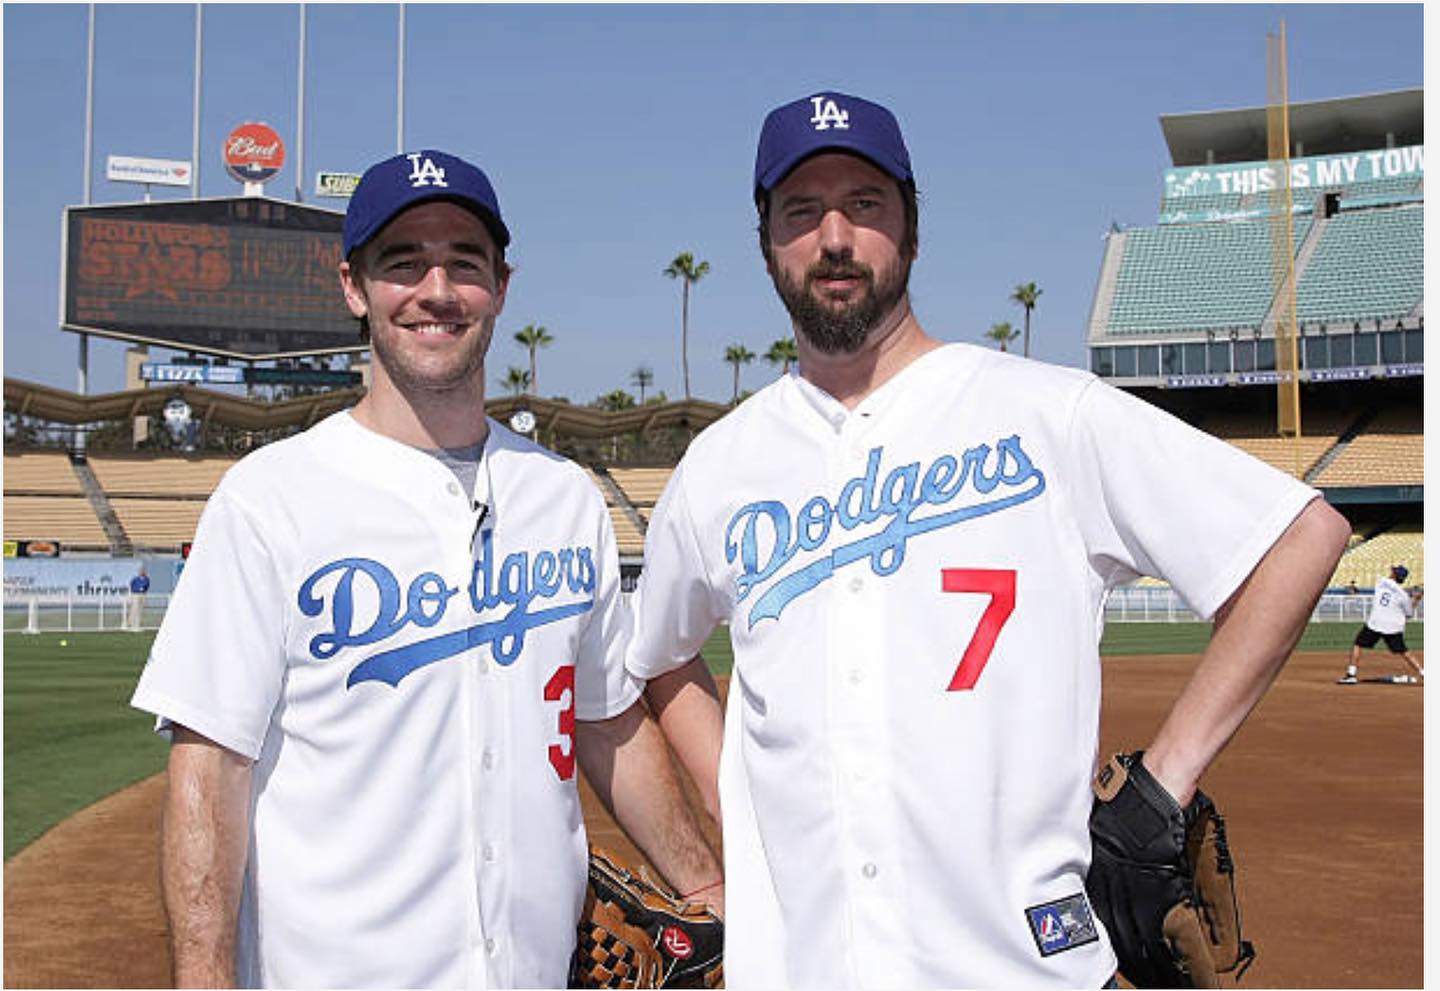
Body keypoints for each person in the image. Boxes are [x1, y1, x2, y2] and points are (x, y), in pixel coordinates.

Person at [630, 91, 1351, 987]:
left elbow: (1300, 534)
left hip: (1021, 965)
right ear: (768, 243)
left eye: (865, 204)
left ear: (913, 230)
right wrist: (731, 799)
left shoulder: (1048, 414)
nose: (835, 236)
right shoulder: (719, 466)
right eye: (801, 211)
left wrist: (1165, 778)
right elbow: (661, 657)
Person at [131, 150, 720, 989]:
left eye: (464, 263)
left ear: (501, 287)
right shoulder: (271, 499)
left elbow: (606, 720)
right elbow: (210, 764)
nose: (435, 289)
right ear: (353, 286)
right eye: (403, 262)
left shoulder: (563, 497)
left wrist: (706, 882)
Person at [1338, 564, 1423, 683]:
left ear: (1394, 574)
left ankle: (1351, 675)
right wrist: (1415, 600)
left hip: (1376, 622)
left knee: (1358, 644)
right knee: (1404, 652)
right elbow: (1408, 613)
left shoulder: (1381, 582)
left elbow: (1390, 585)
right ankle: (1423, 672)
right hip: (1393, 626)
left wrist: (1409, 594)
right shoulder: (1403, 596)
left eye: (1393, 571)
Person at [126, 565, 150, 631]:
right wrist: (134, 591)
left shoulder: (147, 579)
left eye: (143, 571)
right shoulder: (135, 579)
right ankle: (131, 624)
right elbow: (131, 586)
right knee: (134, 610)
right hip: (135, 595)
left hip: (142, 595)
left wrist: (142, 589)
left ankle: (138, 625)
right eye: (141, 571)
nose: (142, 572)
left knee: (140, 610)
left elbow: (146, 586)